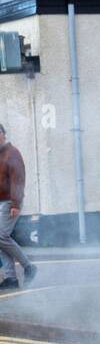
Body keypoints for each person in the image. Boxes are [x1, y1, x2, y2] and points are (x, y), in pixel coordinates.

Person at [0, 124, 36, 289]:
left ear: (3, 134)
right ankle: (11, 279)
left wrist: (15, 203)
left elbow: (18, 179)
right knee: (1, 240)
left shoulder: (12, 153)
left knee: (1, 237)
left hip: (9, 201)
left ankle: (29, 267)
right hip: (1, 201)